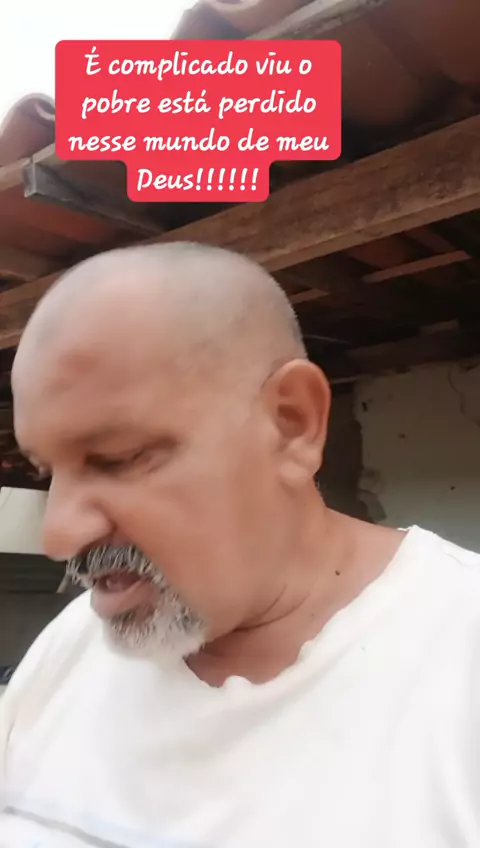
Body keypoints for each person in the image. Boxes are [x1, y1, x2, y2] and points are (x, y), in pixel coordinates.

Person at [1, 242, 479, 848]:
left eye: (119, 458)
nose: (59, 534)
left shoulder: (460, 661)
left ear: (292, 424)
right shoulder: (70, 646)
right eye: (48, 474)